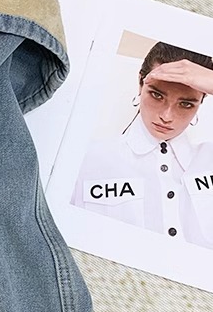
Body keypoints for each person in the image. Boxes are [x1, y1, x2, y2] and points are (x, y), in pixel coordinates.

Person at [70, 41, 213, 248]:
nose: (167, 116)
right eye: (157, 95)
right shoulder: (86, 160)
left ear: (202, 100)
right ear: (140, 83)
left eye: (186, 104)